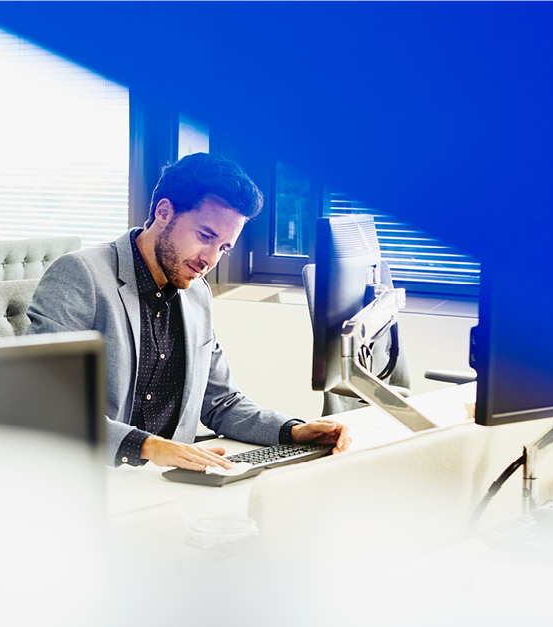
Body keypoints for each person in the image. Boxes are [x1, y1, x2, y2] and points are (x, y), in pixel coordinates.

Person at [27, 152, 350, 469]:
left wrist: (292, 431)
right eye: (205, 236)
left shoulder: (196, 294)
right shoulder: (81, 275)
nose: (210, 259)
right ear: (164, 212)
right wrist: (148, 446)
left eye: (223, 248)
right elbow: (46, 404)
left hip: (170, 480)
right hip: (95, 475)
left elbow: (222, 403)